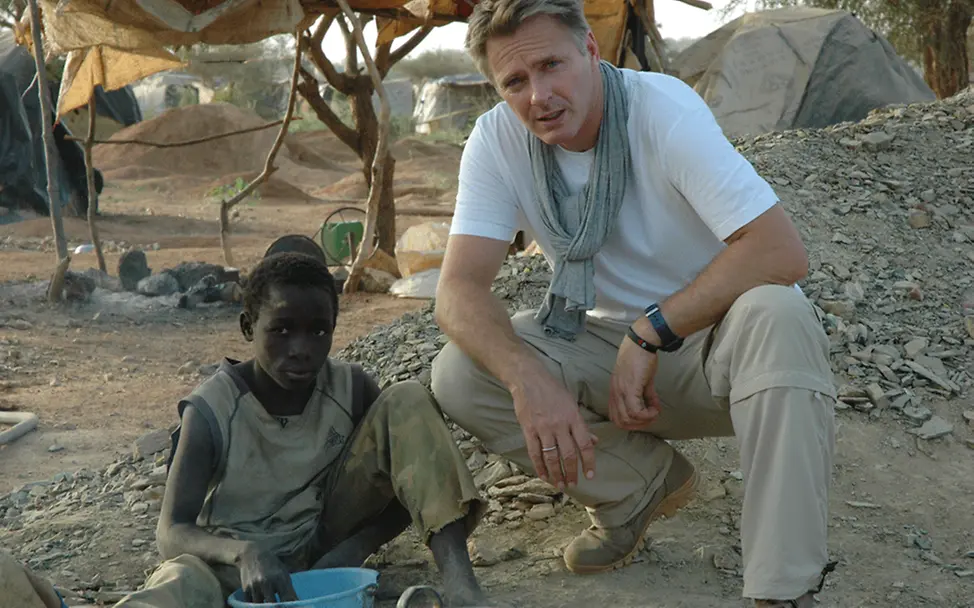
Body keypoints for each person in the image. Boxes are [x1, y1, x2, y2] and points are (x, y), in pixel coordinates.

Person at [429, 1, 838, 607]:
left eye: (552, 65)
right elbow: (458, 290)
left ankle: (783, 590)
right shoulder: (497, 139)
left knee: (778, 312)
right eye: (515, 80)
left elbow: (780, 251)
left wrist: (651, 331)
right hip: (602, 349)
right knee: (461, 372)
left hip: (721, 355)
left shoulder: (661, 111)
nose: (539, 95)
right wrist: (525, 381)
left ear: (591, 51)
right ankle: (637, 487)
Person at [114, 250, 492, 608]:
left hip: (323, 549)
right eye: (281, 330)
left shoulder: (350, 388)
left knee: (408, 397)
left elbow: (407, 488)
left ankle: (462, 589)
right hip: (233, 567)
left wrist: (357, 546)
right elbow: (171, 531)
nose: (301, 348)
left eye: (318, 332)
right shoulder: (213, 408)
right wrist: (245, 553)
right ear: (248, 326)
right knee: (178, 584)